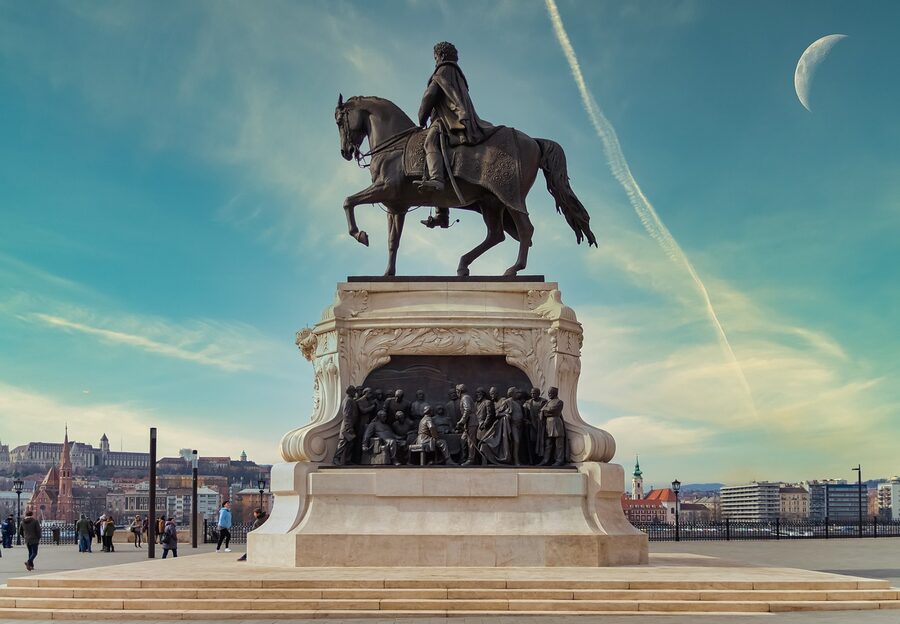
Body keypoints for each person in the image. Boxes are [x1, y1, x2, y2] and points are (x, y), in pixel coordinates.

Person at [416, 41, 496, 227]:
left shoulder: (443, 70)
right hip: (456, 118)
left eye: (435, 57)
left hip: (448, 120)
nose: (435, 61)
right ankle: (442, 215)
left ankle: (436, 178)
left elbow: (430, 96)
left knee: (430, 142)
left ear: (441, 56)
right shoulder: (457, 74)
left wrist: (421, 117)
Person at [538, 386, 567, 466]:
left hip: (556, 423)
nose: (549, 394)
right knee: (548, 444)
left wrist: (546, 410)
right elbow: (542, 411)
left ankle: (559, 460)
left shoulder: (559, 402)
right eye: (548, 393)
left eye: (551, 393)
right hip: (548, 424)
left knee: (559, 444)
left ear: (555, 393)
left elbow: (553, 410)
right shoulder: (548, 402)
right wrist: (546, 410)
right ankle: (545, 460)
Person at [332, 385, 359, 466]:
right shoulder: (348, 400)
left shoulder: (351, 400)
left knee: (350, 443)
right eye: (354, 391)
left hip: (350, 425)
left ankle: (347, 460)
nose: (355, 393)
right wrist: (348, 427)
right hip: (347, 426)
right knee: (343, 443)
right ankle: (336, 459)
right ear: (350, 392)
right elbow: (346, 414)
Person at [455, 384, 479, 466]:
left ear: (459, 391)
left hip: (471, 422)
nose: (456, 393)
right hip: (468, 423)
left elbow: (467, 409)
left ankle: (471, 460)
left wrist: (461, 422)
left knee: (471, 441)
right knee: (463, 440)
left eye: (457, 391)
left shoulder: (465, 398)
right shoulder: (465, 398)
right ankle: (464, 458)